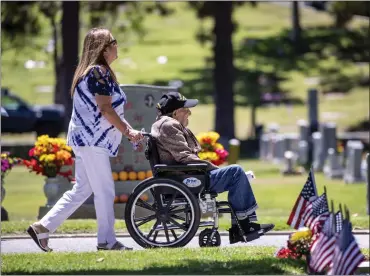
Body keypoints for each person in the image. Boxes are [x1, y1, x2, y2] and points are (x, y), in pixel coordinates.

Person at [27, 27, 143, 252]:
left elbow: (109, 111)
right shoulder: (98, 72)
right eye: (114, 41)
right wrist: (129, 133)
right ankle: (106, 241)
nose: (117, 45)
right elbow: (106, 109)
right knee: (105, 190)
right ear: (104, 47)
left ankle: (42, 227)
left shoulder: (91, 72)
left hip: (84, 140)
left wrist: (128, 130)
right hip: (93, 141)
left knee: (82, 189)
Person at [151, 92, 274, 243]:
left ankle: (242, 225)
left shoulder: (164, 124)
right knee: (236, 171)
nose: (189, 112)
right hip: (187, 178)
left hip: (185, 175)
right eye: (186, 110)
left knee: (236, 173)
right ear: (176, 112)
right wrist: (213, 169)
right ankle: (244, 225)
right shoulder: (169, 125)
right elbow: (183, 157)